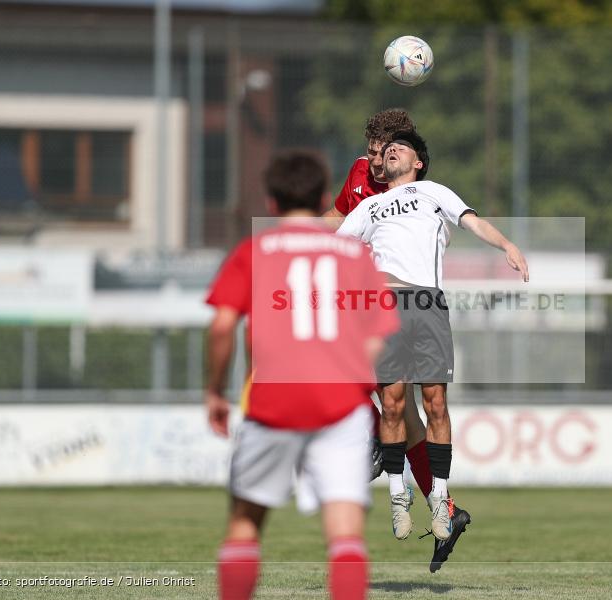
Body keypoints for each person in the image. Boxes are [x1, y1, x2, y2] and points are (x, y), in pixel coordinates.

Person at [205, 150, 398, 600]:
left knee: (245, 524)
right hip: (341, 405)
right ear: (321, 198)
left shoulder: (254, 250)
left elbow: (220, 327)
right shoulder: (352, 253)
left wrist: (214, 391)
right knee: (345, 533)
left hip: (273, 398)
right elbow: (381, 332)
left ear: (271, 202)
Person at [338, 129, 529, 547]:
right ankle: (396, 495)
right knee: (391, 403)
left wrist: (507, 244)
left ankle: (441, 500)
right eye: (384, 151)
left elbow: (472, 221)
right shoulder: (370, 205)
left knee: (435, 403)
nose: (389, 153)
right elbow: (332, 249)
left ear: (418, 162)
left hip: (427, 304)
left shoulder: (432, 193)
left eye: (397, 149)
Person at [325, 108, 469, 572]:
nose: (371, 163)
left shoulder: (409, 189)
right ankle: (445, 507)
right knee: (400, 411)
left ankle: (376, 445)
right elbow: (338, 215)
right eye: (368, 154)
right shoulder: (361, 175)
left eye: (379, 154)